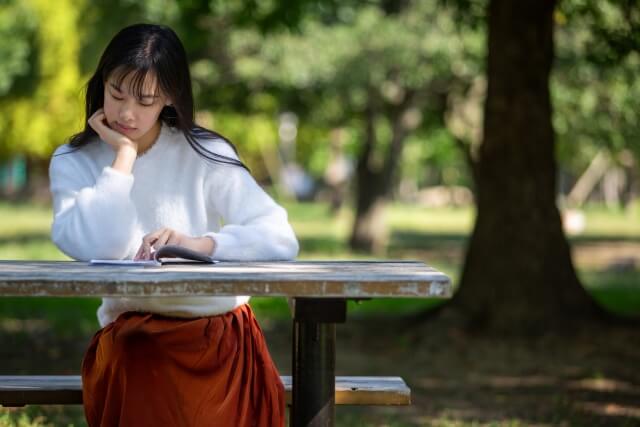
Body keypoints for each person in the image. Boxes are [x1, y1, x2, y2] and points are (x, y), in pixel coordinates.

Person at [48, 23, 298, 427]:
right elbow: (100, 244)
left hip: (216, 334)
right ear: (101, 84)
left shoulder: (205, 152)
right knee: (138, 352)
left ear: (168, 97)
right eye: (117, 94)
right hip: (133, 333)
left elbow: (279, 236)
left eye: (145, 100)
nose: (127, 113)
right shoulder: (73, 160)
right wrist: (123, 159)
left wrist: (198, 245)